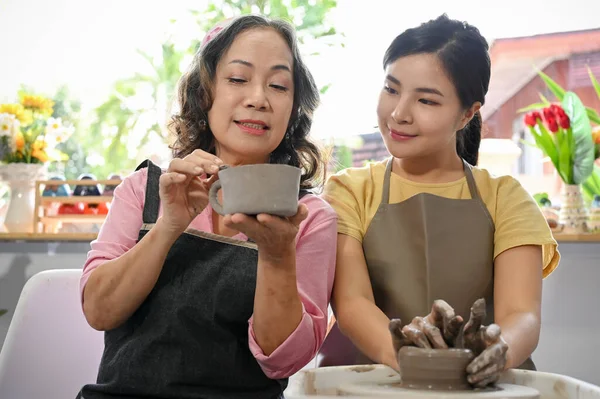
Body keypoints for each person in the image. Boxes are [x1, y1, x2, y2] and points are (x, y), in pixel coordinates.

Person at [76, 15, 337, 399]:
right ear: (205, 93)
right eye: (237, 79)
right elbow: (99, 311)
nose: (258, 98)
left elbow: (284, 362)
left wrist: (278, 254)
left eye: (279, 85)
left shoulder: (309, 217)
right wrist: (169, 225)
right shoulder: (143, 190)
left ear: (294, 108)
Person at [318, 14, 560, 388]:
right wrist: (407, 354)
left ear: (467, 114)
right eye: (391, 89)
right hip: (377, 383)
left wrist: (499, 351)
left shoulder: (505, 197)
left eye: (426, 100)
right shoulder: (349, 191)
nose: (399, 113)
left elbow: (521, 314)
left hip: (482, 386)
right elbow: (352, 304)